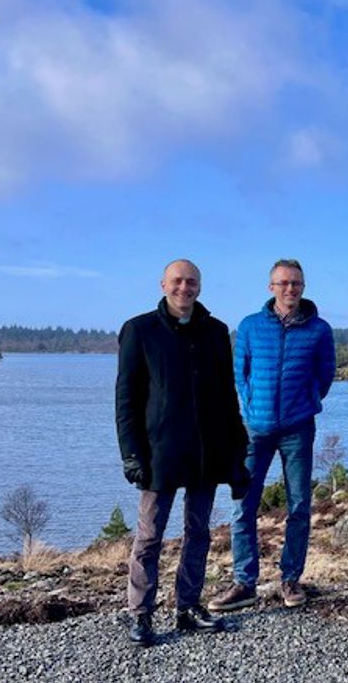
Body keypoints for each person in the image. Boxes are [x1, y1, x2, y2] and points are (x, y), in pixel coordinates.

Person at [115, 259, 249, 646]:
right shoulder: (139, 330)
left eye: (191, 282)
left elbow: (227, 398)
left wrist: (237, 453)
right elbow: (126, 400)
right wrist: (131, 454)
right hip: (159, 452)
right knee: (149, 536)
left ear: (199, 287)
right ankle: (140, 613)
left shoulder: (215, 331)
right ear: (163, 284)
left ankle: (187, 606)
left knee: (199, 533)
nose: (184, 287)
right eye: (177, 281)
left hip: (205, 453)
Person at [209, 260, 336, 612]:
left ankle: (291, 577)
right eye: (283, 283)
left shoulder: (319, 330)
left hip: (298, 427)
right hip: (255, 429)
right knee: (243, 504)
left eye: (295, 283)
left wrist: (308, 400)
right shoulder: (250, 327)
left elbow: (324, 374)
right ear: (271, 287)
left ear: (303, 286)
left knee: (298, 504)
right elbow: (240, 372)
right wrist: (250, 406)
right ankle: (244, 582)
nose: (289, 289)